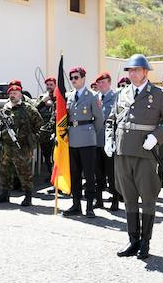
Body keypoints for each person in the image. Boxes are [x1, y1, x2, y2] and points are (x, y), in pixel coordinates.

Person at [105, 54, 163, 259]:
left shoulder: (158, 94)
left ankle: (145, 242)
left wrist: (156, 136)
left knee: (147, 198)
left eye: (136, 70)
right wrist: (109, 139)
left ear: (146, 71)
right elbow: (111, 119)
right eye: (130, 70)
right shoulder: (122, 93)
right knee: (128, 198)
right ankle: (132, 239)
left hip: (145, 154)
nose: (132, 73)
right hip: (123, 152)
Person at [60, 66, 104, 217]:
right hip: (72, 139)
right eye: (71, 78)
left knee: (89, 174)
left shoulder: (92, 96)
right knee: (75, 173)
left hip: (87, 139)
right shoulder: (69, 96)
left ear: (84, 78)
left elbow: (99, 119)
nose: (73, 80)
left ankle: (90, 206)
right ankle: (76, 204)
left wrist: (91, 133)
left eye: (76, 77)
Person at [0, 84, 43, 206]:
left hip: (22, 147)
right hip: (7, 147)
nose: (12, 95)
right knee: (5, 170)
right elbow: (0, 124)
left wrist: (34, 138)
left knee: (24, 172)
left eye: (15, 93)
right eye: (11, 93)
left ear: (20, 94)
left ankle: (28, 196)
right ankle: (5, 194)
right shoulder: (5, 109)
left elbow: (40, 125)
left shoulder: (28, 109)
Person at [94, 72, 121, 210]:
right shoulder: (95, 98)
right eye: (98, 83)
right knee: (97, 173)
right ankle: (98, 200)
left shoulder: (116, 97)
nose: (100, 85)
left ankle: (115, 200)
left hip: (110, 141)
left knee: (111, 173)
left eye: (103, 82)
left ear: (109, 82)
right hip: (97, 140)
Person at [34, 76, 57, 179]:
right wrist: (43, 102)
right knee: (46, 155)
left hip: (56, 130)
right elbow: (34, 110)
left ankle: (57, 176)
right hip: (44, 131)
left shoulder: (59, 97)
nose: (49, 87)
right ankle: (50, 174)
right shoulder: (42, 97)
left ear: (55, 85)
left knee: (55, 155)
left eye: (51, 85)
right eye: (47, 85)